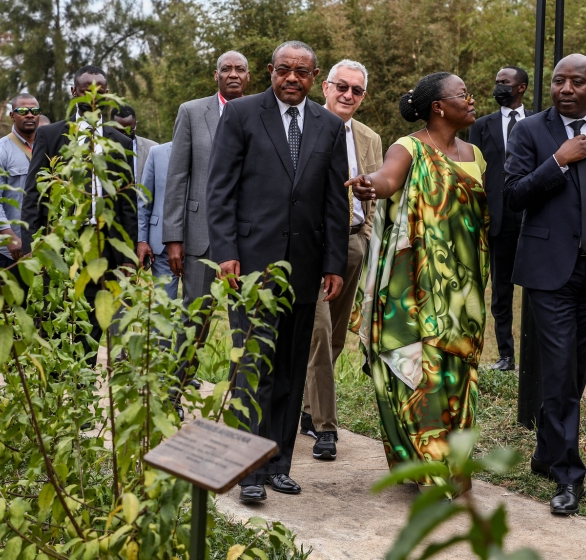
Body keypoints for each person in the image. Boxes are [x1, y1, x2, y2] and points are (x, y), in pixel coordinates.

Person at [208, 41, 348, 504]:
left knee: (289, 369)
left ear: (314, 77)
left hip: (306, 269)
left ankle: (277, 466)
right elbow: (220, 189)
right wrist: (226, 251)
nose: (292, 78)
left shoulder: (330, 126)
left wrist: (332, 263)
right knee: (254, 369)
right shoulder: (243, 115)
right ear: (270, 71)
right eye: (284, 70)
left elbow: (334, 200)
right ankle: (248, 471)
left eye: (302, 72)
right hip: (249, 267)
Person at [505, 54, 586, 516]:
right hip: (550, 271)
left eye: (576, 81)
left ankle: (545, 452)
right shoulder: (529, 131)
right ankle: (567, 476)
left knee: (575, 371)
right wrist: (559, 162)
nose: (565, 88)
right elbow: (513, 194)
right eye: (558, 80)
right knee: (560, 371)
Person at [348, 72, 488, 488]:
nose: (471, 99)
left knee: (458, 372)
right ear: (438, 107)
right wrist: (369, 186)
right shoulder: (408, 147)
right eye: (463, 94)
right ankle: (431, 466)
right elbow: (388, 178)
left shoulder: (477, 154)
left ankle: (453, 459)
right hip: (416, 283)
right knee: (421, 368)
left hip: (466, 288)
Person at [22, 66, 139, 367]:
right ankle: (58, 383)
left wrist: (128, 256)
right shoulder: (50, 135)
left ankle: (83, 380)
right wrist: (31, 246)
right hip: (59, 243)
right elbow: (35, 193)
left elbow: (127, 202)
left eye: (101, 91)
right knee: (54, 314)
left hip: (102, 246)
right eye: (87, 90)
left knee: (93, 319)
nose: (94, 97)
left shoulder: (120, 142)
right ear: (74, 93)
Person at [301, 59, 383, 461]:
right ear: (326, 88)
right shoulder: (305, 126)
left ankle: (304, 406)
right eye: (342, 87)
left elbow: (374, 190)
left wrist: (364, 239)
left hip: (351, 242)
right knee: (317, 334)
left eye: (357, 90)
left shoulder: (369, 138)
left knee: (334, 336)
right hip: (311, 246)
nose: (348, 95)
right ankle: (325, 427)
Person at [163, 50, 250, 399]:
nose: (233, 74)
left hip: (247, 237)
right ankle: (174, 391)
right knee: (193, 319)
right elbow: (177, 177)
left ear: (249, 76)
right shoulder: (192, 112)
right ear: (215, 75)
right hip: (199, 235)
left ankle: (240, 397)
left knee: (243, 322)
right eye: (226, 69)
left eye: (239, 69)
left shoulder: (262, 113)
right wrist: (173, 237)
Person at [468, 66, 532, 371]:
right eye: (496, 83)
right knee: (502, 290)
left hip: (533, 214)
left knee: (537, 288)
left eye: (504, 83)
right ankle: (506, 355)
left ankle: (537, 351)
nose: (498, 88)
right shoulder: (481, 125)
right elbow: (474, 171)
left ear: (520, 87)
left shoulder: (539, 121)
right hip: (498, 217)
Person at [0, 94, 40, 279]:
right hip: (11, 250)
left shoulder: (48, 147)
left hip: (43, 247)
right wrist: (9, 236)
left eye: (34, 111)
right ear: (12, 116)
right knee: (11, 305)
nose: (30, 115)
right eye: (23, 111)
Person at [137, 142, 178, 299]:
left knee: (195, 311)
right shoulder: (156, 153)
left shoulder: (205, 151)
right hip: (160, 245)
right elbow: (144, 201)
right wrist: (142, 240)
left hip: (196, 243)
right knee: (163, 309)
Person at [113, 105, 157, 183]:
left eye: (130, 130)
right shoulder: (99, 148)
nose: (124, 134)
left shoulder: (153, 148)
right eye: (119, 131)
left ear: (135, 125)